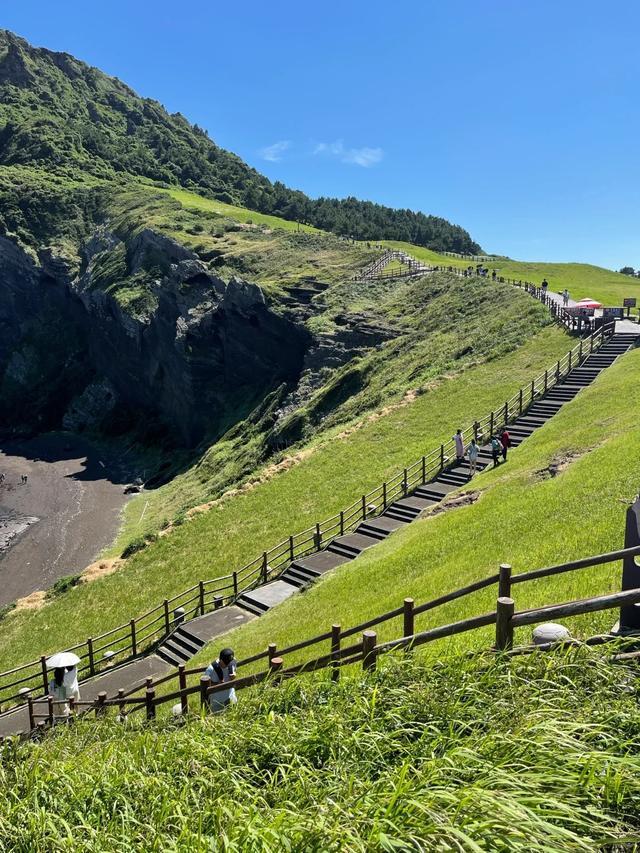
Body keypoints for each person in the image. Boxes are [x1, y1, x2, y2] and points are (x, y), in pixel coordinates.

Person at [205, 648, 237, 712]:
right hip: (217, 702)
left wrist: (234, 676)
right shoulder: (211, 670)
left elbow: (234, 670)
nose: (228, 665)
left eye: (229, 663)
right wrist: (218, 684)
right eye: (226, 663)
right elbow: (205, 685)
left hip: (231, 697)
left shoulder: (232, 662)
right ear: (220, 659)